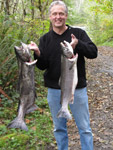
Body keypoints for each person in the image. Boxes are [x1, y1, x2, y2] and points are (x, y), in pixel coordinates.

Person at [29, 1, 98, 150]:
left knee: (84, 128)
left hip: (77, 90)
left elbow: (93, 53)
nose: (58, 17)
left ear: (66, 15)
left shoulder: (78, 33)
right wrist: (38, 53)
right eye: (54, 14)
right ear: (50, 17)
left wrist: (78, 44)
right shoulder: (45, 39)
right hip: (54, 91)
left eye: (61, 13)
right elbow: (42, 66)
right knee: (59, 129)